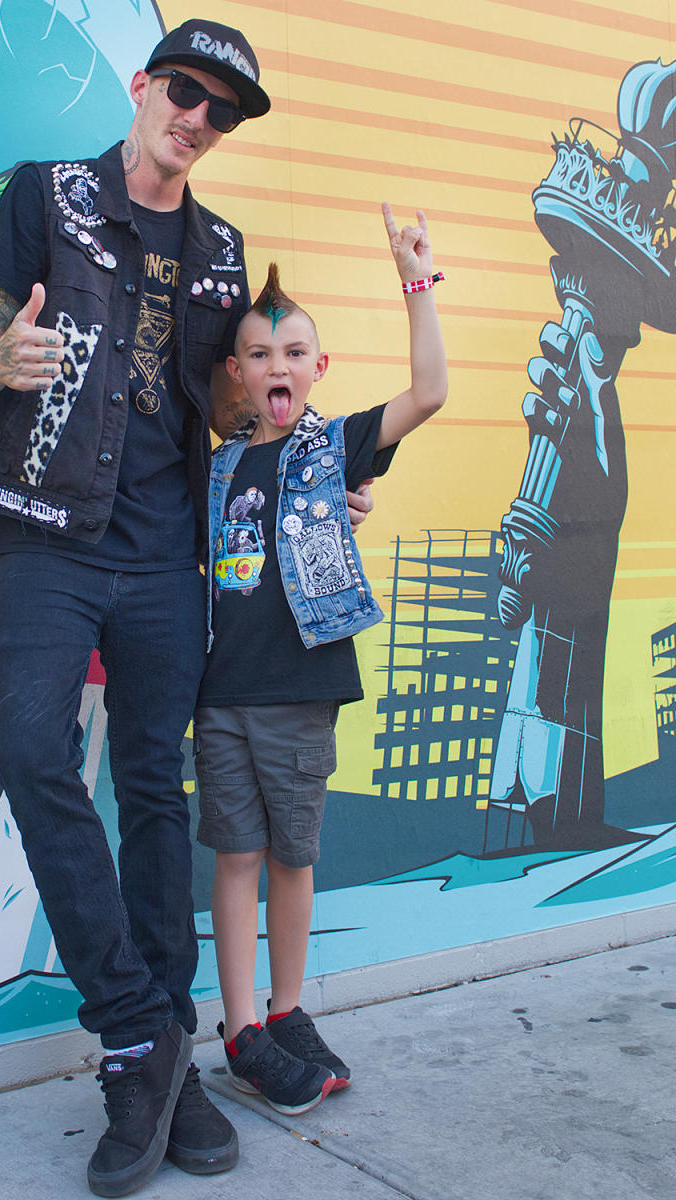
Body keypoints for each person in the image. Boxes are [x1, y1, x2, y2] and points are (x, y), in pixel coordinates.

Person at [0, 18, 372, 1197]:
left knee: (152, 789)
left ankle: (161, 1057)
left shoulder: (226, 254)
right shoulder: (50, 195)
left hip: (164, 558)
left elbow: (234, 416)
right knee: (33, 751)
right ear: (143, 85)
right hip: (45, 535)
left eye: (220, 110)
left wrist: (323, 479)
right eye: (184, 90)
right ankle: (141, 1030)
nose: (196, 116)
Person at [195, 207, 447, 1114]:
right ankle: (239, 1028)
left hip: (301, 693)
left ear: (319, 369)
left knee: (292, 858)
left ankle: (287, 1007)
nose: (278, 368)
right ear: (236, 372)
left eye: (295, 353)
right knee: (235, 856)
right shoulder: (215, 470)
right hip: (220, 694)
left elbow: (428, 393)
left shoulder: (333, 448)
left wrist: (414, 280)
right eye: (260, 355)